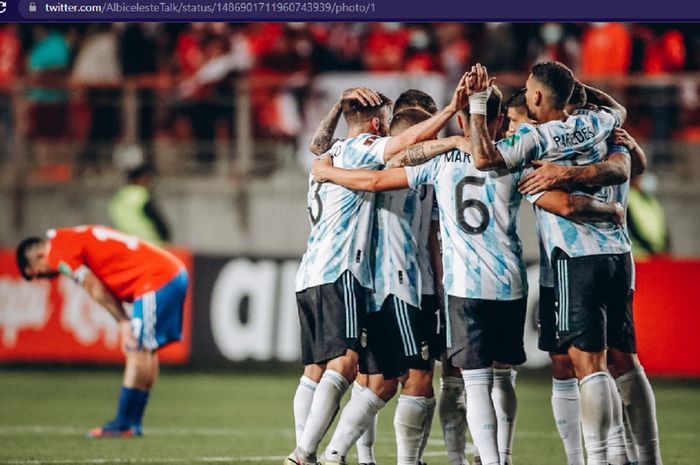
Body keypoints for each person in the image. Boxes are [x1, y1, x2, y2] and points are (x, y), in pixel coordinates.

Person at [312, 85, 623, 465]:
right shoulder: (513, 159)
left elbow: (378, 178)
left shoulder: (440, 164)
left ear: (462, 119)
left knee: (470, 384)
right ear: (497, 121)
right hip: (509, 283)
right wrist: (609, 211)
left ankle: (480, 460)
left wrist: (328, 170)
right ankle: (504, 456)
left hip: (462, 287)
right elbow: (567, 204)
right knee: (503, 377)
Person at [467, 61, 662, 465]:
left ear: (536, 96)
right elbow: (620, 122)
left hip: (577, 259)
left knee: (588, 365)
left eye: (528, 90)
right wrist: (577, 89)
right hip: (619, 257)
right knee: (626, 360)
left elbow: (485, 160)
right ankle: (647, 457)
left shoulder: (537, 139)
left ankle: (604, 458)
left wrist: (475, 104)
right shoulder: (599, 121)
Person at [286, 78, 468, 465]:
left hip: (322, 271)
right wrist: (451, 127)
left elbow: (318, 148)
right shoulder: (370, 155)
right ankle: (310, 454)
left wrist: (337, 108)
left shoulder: (330, 155)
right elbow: (378, 173)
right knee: (386, 374)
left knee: (337, 371)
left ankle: (339, 455)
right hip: (375, 278)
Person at [15, 225, 188, 438]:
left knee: (136, 348)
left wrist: (123, 321)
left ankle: (124, 423)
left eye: (39, 273)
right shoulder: (70, 237)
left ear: (41, 255)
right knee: (145, 350)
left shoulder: (59, 251)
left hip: (157, 279)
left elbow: (93, 286)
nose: (44, 278)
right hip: (169, 273)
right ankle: (131, 423)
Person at [109, 164, 171, 246]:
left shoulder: (119, 198)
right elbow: (156, 220)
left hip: (127, 243)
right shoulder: (141, 195)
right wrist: (165, 236)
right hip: (149, 243)